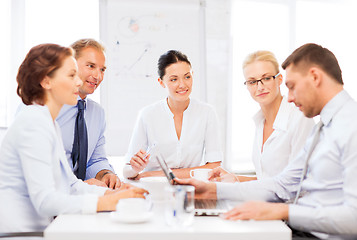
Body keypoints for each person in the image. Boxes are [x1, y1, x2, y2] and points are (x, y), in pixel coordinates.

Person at [176, 43, 357, 239]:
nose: (290, 98)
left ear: (315, 77)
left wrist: (282, 212)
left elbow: (354, 218)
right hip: (301, 230)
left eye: (292, 86)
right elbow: (282, 184)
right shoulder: (324, 128)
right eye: (252, 82)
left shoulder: (350, 126)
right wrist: (213, 190)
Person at [0, 43, 147, 232]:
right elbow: (45, 200)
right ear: (46, 81)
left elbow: (71, 185)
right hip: (20, 233)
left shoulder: (49, 123)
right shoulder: (32, 122)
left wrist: (114, 193)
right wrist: (105, 202)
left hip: (43, 229)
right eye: (71, 75)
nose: (78, 82)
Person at [211, 51, 314, 182]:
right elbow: (267, 179)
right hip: (269, 200)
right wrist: (235, 178)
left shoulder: (300, 119)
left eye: (266, 78)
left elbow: (296, 183)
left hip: (293, 202)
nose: (260, 87)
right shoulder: (260, 123)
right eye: (252, 82)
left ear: (279, 79)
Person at [123, 50, 223, 179]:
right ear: (161, 82)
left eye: (187, 77)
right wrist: (135, 168)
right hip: (153, 187)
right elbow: (127, 171)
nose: (182, 85)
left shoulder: (207, 113)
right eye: (174, 79)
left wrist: (155, 174)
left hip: (191, 187)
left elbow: (214, 167)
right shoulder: (147, 115)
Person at [56, 39, 120, 189]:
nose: (97, 76)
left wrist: (105, 174)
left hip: (77, 199)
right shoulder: (48, 106)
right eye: (91, 66)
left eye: (102, 69)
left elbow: (95, 160)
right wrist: (80, 187)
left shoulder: (97, 113)